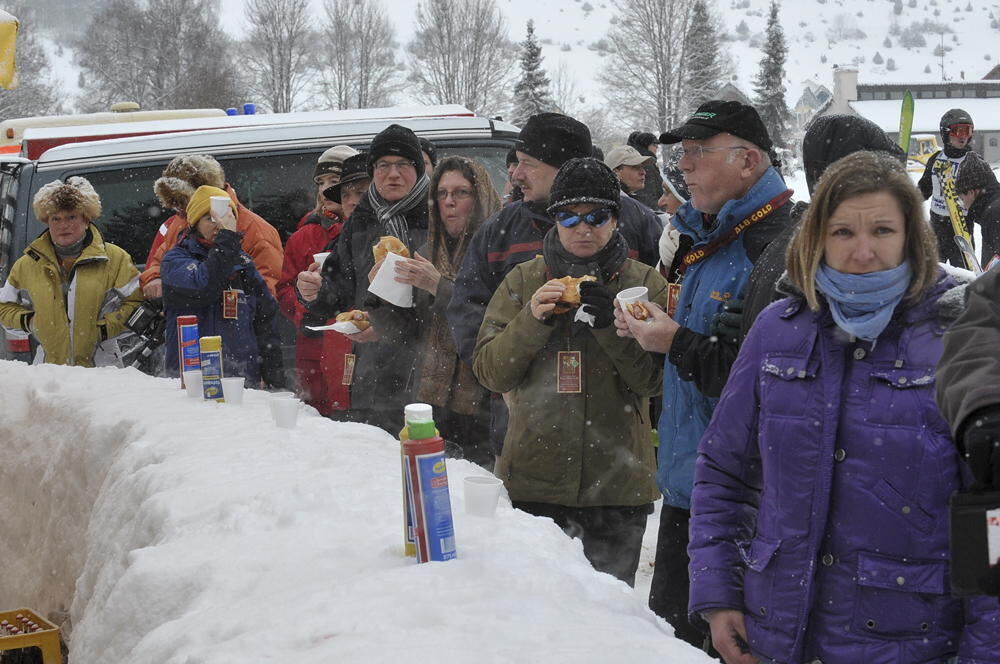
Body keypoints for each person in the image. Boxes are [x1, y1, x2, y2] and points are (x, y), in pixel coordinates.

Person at [687, 150, 1000, 664]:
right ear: (817, 238)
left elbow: (992, 520)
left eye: (881, 230)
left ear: (911, 237)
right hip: (777, 634)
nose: (863, 251)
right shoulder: (777, 330)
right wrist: (719, 596)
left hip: (909, 641)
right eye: (843, 232)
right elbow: (723, 472)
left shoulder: (959, 339)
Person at [614, 100, 793, 647]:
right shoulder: (709, 238)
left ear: (748, 160)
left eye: (696, 152)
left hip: (747, 507)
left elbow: (774, 388)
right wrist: (658, 338)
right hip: (690, 490)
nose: (682, 166)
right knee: (670, 646)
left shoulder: (779, 248)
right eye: (681, 153)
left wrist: (677, 342)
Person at [473, 157, 666, 585]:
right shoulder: (524, 281)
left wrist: (611, 328)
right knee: (540, 620)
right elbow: (490, 373)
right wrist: (531, 320)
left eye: (597, 216)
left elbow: (652, 382)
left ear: (615, 220)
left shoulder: (645, 284)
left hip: (617, 488)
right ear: (552, 221)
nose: (583, 228)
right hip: (533, 484)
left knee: (608, 622)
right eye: (568, 216)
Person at [449, 112, 663, 463]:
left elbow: (659, 325)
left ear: (563, 167)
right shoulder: (501, 228)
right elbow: (469, 310)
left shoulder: (637, 220)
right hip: (527, 425)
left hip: (616, 440)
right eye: (567, 217)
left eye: (527, 164)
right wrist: (504, 377)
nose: (515, 174)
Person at [296, 124, 430, 432]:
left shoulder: (439, 216)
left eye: (403, 164)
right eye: (383, 165)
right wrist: (314, 292)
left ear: (419, 170)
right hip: (372, 374)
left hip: (425, 374)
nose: (392, 174)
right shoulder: (361, 220)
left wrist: (388, 325)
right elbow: (339, 293)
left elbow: (448, 302)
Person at [372, 156, 501, 466]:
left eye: (461, 193)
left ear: (481, 196)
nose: (449, 203)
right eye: (442, 194)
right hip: (430, 401)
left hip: (483, 401)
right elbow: (404, 332)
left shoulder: (497, 250)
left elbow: (496, 320)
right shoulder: (426, 250)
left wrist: (439, 287)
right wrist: (382, 293)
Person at [0, 177, 142, 367]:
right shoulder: (27, 264)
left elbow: (138, 303)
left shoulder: (115, 258)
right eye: (55, 218)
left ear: (86, 219)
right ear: (47, 221)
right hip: (49, 374)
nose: (63, 225)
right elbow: (4, 307)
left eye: (71, 217)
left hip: (103, 373)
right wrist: (31, 323)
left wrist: (105, 330)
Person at [161, 185, 284, 387]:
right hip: (192, 382)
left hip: (240, 382)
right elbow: (205, 287)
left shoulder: (243, 264)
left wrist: (276, 382)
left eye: (225, 217)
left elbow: (266, 324)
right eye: (209, 218)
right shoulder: (175, 260)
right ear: (194, 224)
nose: (219, 223)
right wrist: (227, 240)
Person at [276, 145, 358, 416]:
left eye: (334, 182)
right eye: (320, 183)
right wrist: (305, 313)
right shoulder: (304, 236)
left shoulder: (369, 231)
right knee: (317, 420)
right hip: (313, 346)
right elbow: (284, 288)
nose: (325, 190)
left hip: (359, 343)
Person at [141, 154, 283, 298]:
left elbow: (265, 294)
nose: (180, 211)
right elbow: (161, 260)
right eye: (176, 205)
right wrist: (154, 278)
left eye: (183, 202)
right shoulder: (179, 222)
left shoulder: (257, 231)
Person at [918, 108, 976, 266]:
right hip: (938, 226)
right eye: (959, 131)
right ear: (946, 133)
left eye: (968, 131)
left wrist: (975, 203)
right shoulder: (936, 159)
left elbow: (988, 194)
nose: (964, 136)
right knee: (933, 273)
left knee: (964, 273)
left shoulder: (974, 162)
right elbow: (923, 189)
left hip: (962, 228)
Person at [955, 150, 1000, 268]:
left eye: (961, 198)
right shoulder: (992, 209)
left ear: (971, 192)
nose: (964, 205)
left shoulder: (994, 214)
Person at [627, 130, 663, 210]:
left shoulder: (641, 162)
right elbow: (648, 192)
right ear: (646, 146)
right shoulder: (646, 164)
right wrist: (657, 211)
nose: (656, 148)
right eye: (654, 145)